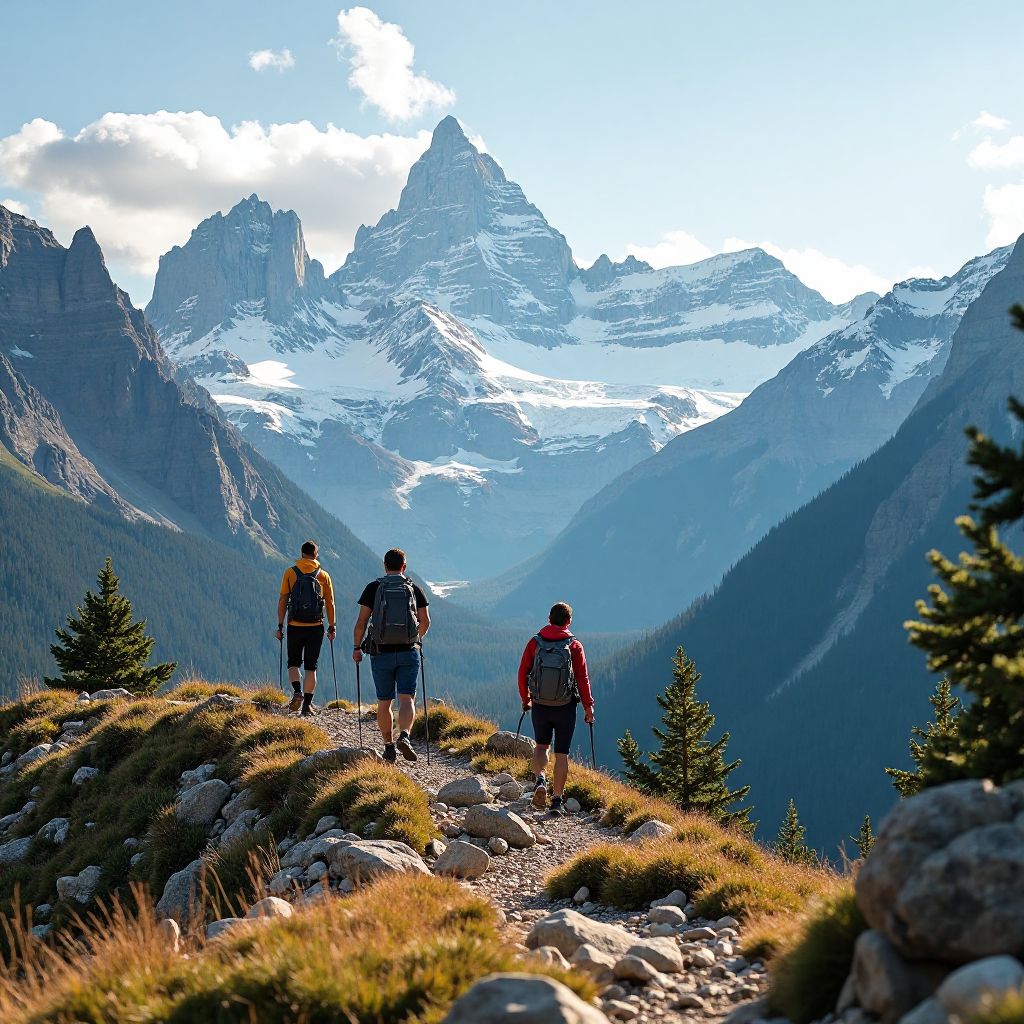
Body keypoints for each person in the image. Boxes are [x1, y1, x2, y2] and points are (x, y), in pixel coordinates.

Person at [353, 548, 430, 763]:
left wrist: (356, 648)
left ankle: (388, 746)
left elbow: (361, 623)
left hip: (381, 653)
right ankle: (404, 735)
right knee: (407, 698)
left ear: (385, 566)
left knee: (384, 702)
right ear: (404, 566)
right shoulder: (414, 588)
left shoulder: (374, 588)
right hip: (408, 652)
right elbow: (426, 621)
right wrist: (415, 639)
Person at [518, 601, 595, 815]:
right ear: (569, 621)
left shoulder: (535, 643)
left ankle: (540, 779)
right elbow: (582, 678)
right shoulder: (574, 645)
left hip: (541, 704)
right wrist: (588, 707)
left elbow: (523, 672)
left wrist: (526, 699)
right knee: (562, 754)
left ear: (549, 619)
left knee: (541, 746)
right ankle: (557, 800)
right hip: (565, 707)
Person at [276, 541, 336, 717]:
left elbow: (282, 600)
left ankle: (297, 692)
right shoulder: (323, 575)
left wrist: (280, 625)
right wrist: (332, 626)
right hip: (316, 626)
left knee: (293, 662)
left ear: (301, 554)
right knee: (311, 666)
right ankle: (307, 706)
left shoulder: (290, 572)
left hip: (294, 625)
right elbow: (330, 603)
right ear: (316, 555)